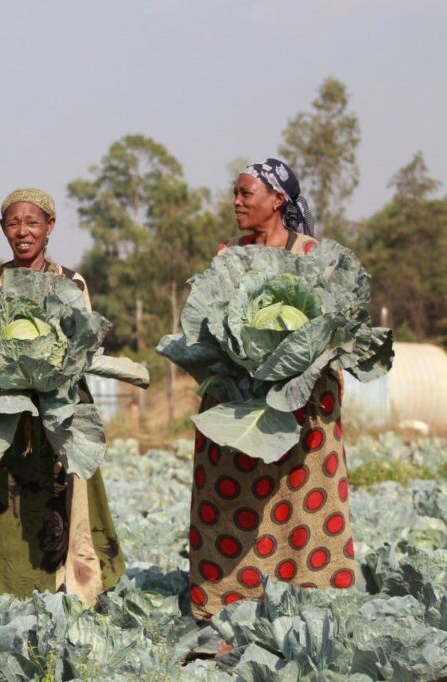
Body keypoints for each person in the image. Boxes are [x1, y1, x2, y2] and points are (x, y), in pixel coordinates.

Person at [188, 158, 356, 622]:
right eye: (236, 193)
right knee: (228, 499)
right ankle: (225, 605)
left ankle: (313, 599)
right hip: (239, 402)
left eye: (247, 194)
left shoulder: (313, 255)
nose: (237, 202)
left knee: (302, 499)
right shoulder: (229, 255)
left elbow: (335, 328)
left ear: (277, 200)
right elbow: (207, 327)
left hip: (304, 400)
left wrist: (297, 370)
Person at [0, 188, 125, 606]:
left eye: (32, 223)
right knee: (7, 504)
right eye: (13, 223)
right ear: (4, 229)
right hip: (3, 414)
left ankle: (70, 585)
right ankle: (5, 585)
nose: (23, 232)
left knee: (63, 499)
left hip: (57, 414)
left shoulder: (72, 283)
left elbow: (82, 351)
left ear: (49, 227)